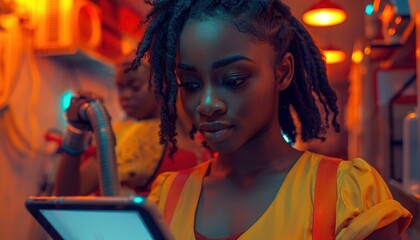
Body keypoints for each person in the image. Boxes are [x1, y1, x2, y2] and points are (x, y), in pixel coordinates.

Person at [126, 0, 413, 239]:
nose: (207, 104)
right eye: (190, 84)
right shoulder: (167, 197)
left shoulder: (346, 194)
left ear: (283, 72)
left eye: (234, 80)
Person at [54, 52, 212, 197]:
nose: (126, 95)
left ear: (162, 84)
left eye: (135, 87)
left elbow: (66, 195)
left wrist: (77, 133)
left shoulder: (140, 135)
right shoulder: (199, 138)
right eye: (120, 88)